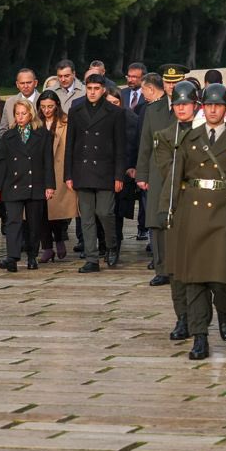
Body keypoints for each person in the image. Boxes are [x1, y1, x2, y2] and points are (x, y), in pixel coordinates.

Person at [171, 84, 226, 360]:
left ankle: (225, 310)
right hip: (192, 214)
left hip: (222, 214)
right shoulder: (190, 138)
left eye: (218, 105)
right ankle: (200, 337)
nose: (213, 109)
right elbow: (176, 180)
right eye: (208, 105)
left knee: (220, 279)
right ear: (202, 107)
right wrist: (169, 211)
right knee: (194, 280)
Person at [147, 82, 200, 339]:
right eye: (177, 104)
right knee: (176, 268)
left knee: (201, 268)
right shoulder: (166, 136)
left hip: (205, 208)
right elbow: (172, 171)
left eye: (186, 104)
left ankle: (202, 316)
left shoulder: (208, 133)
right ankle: (183, 319)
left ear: (195, 106)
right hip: (177, 205)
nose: (181, 108)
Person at [65, 73, 126, 272]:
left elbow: (120, 146)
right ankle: (91, 258)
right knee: (87, 216)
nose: (92, 92)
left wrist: (119, 175)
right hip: (82, 169)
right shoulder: (76, 110)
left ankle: (111, 245)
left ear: (103, 90)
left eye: (96, 89)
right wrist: (68, 174)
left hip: (106, 170)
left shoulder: (115, 112)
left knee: (105, 212)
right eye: (89, 88)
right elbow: (70, 144)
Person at [134, 64, 186, 285]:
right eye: (168, 82)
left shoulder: (193, 108)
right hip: (157, 172)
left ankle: (181, 267)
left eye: (175, 82)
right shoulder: (153, 109)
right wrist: (142, 174)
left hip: (184, 171)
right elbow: (145, 143)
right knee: (156, 221)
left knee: (181, 221)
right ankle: (162, 268)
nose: (171, 86)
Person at [0, 98, 55, 272]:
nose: (20, 117)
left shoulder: (42, 134)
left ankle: (32, 256)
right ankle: (12, 256)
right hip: (12, 184)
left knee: (34, 222)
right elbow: (1, 163)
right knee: (13, 221)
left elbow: (47, 162)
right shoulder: (8, 136)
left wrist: (50, 185)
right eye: (17, 114)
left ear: (31, 114)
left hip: (36, 183)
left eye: (23, 113)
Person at [35, 91, 75, 263]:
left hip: (58, 168)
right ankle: (47, 247)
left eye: (50, 106)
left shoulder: (66, 122)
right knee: (41, 210)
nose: (46, 110)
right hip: (38, 169)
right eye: (43, 107)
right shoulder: (35, 123)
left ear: (57, 105)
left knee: (56, 208)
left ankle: (59, 238)